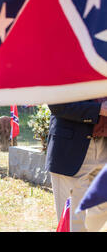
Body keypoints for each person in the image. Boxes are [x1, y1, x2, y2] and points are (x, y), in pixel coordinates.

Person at [46, 98, 107, 232]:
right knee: (72, 222)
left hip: (104, 148)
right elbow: (57, 103)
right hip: (71, 150)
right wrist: (99, 109)